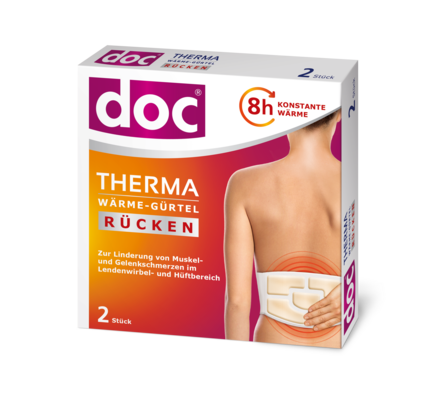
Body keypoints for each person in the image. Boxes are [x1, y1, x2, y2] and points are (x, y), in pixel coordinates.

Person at [224, 110, 342, 348]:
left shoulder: (244, 184)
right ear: (339, 113)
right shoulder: (354, 182)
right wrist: (353, 290)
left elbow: (237, 301)